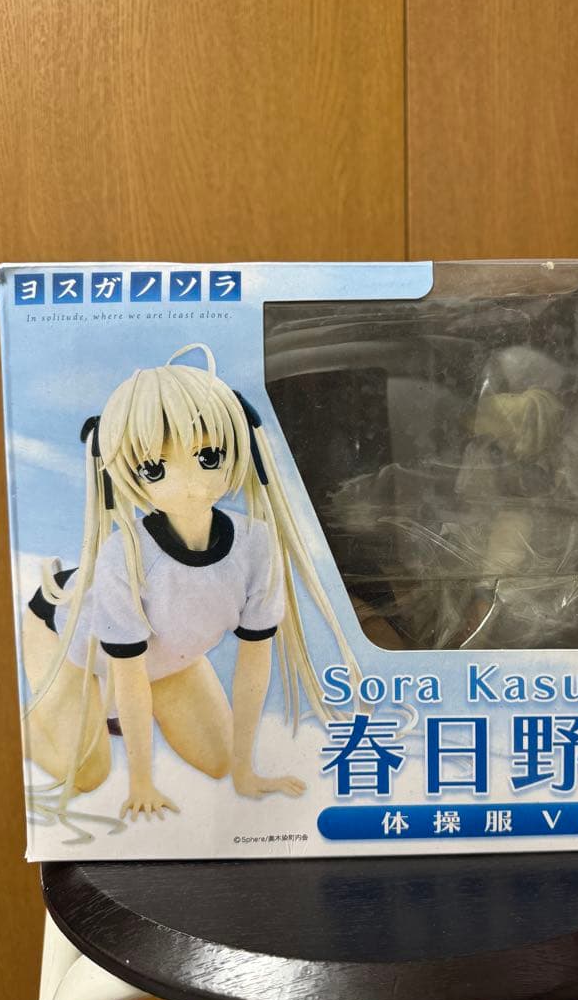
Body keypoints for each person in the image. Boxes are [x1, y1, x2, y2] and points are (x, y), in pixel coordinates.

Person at [21, 343, 359, 835]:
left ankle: (110, 716)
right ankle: (33, 720)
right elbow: (127, 672)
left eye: (208, 456)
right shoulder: (124, 556)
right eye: (154, 468)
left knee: (219, 760)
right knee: (89, 773)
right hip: (69, 639)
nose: (190, 482)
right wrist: (141, 782)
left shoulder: (256, 544)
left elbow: (255, 659)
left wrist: (244, 769)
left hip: (168, 659)